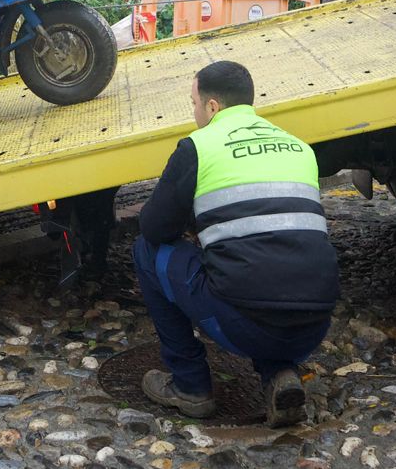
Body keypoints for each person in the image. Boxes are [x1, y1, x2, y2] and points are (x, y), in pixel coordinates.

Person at [135, 60, 337, 427]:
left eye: (193, 103)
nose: (194, 112)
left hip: (242, 326)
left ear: (212, 106)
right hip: (314, 327)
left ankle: (190, 386)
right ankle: (279, 374)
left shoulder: (199, 146)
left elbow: (154, 227)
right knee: (265, 272)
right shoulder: (298, 147)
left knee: (146, 252)